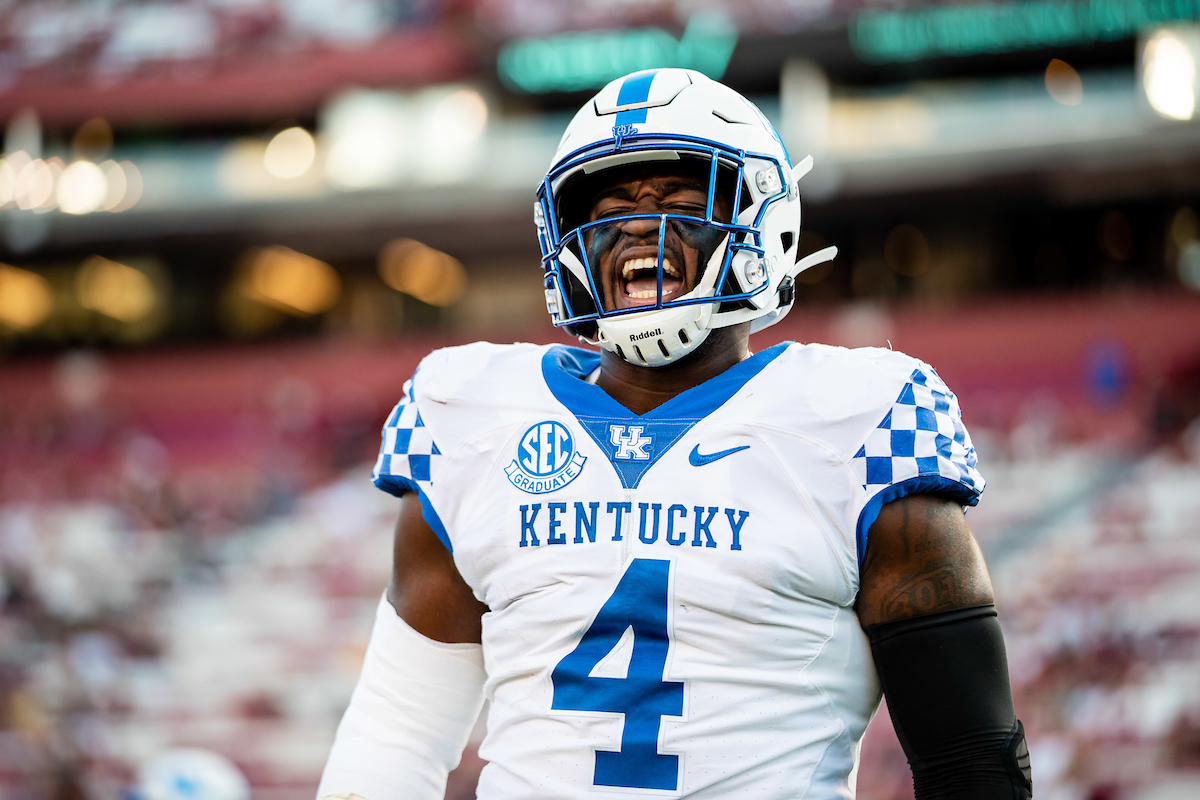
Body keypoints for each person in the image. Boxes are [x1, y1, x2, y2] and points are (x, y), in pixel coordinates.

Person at [317, 68, 1032, 799]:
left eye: (680, 200)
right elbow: (396, 735)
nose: (635, 223)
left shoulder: (860, 422)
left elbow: (971, 761)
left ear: (763, 223)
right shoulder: (472, 418)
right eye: (611, 203)